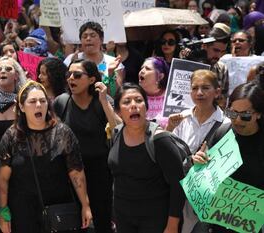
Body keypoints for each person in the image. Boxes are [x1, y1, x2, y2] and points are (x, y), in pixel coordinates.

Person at [0, 81, 93, 233]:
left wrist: (85, 205)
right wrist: (3, 211)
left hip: (59, 211)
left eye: (43, 101)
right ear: (21, 107)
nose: (38, 105)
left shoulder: (63, 133)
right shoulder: (11, 137)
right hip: (23, 213)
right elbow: (3, 180)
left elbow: (76, 173)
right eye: (32, 101)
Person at [54, 59, 120, 233]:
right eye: (69, 75)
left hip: (100, 172)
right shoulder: (61, 101)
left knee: (102, 221)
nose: (71, 79)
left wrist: (105, 101)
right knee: (75, 222)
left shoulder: (101, 101)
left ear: (92, 80)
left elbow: (118, 129)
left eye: (77, 75)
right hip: (70, 171)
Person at [108, 82, 185, 233]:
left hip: (156, 221)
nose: (134, 105)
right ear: (118, 111)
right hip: (123, 219)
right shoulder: (115, 134)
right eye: (126, 102)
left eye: (138, 100)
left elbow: (178, 185)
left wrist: (172, 225)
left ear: (146, 106)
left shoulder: (160, 140)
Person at [192, 82, 264, 233]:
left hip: (252, 224)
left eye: (245, 115)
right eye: (232, 113)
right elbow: (204, 174)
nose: (237, 120)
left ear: (258, 114)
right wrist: (198, 162)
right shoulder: (223, 133)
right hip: (217, 221)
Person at [166, 70, 231, 233]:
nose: (199, 93)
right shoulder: (181, 119)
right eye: (195, 88)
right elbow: (170, 157)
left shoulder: (226, 124)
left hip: (208, 197)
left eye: (205, 88)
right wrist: (169, 129)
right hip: (181, 193)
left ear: (217, 92)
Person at [63, 22, 124, 96]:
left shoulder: (112, 62)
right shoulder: (70, 59)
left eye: (93, 36)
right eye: (84, 36)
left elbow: (116, 94)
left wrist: (110, 73)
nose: (88, 39)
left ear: (101, 40)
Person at [138, 57, 170, 128]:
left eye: (147, 69)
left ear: (160, 76)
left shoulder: (171, 98)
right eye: (141, 68)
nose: (142, 71)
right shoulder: (135, 96)